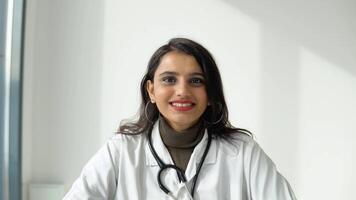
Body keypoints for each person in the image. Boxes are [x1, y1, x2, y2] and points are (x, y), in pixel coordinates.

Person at [63, 38, 297, 200]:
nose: (182, 91)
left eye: (196, 81)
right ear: (151, 91)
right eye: (169, 79)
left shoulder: (243, 152)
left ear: (210, 95)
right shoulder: (121, 151)